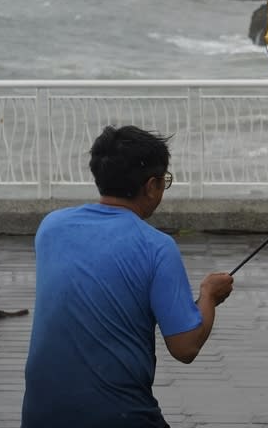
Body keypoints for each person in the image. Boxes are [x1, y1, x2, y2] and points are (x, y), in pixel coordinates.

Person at [21, 125, 234, 428]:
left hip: (40, 415)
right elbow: (185, 347)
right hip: (121, 416)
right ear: (150, 186)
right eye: (164, 182)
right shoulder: (157, 247)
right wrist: (209, 295)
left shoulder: (51, 228)